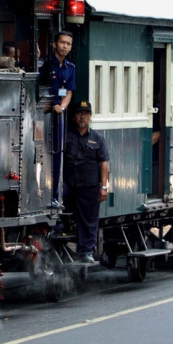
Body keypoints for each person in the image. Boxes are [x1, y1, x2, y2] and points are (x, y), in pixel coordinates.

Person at [63, 101, 109, 264]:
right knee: (57, 212)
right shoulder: (65, 135)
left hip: (89, 186)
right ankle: (59, 245)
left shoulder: (98, 138)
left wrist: (104, 187)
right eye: (79, 113)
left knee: (88, 220)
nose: (82, 117)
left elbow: (103, 164)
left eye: (86, 113)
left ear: (90, 117)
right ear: (74, 116)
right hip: (68, 184)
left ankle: (86, 251)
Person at [44, 31, 76, 207]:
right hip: (45, 112)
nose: (65, 46)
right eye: (62, 42)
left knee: (58, 154)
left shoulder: (70, 68)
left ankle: (55, 194)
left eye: (68, 44)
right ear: (54, 44)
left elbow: (68, 92)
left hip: (58, 113)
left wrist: (62, 107)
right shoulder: (45, 64)